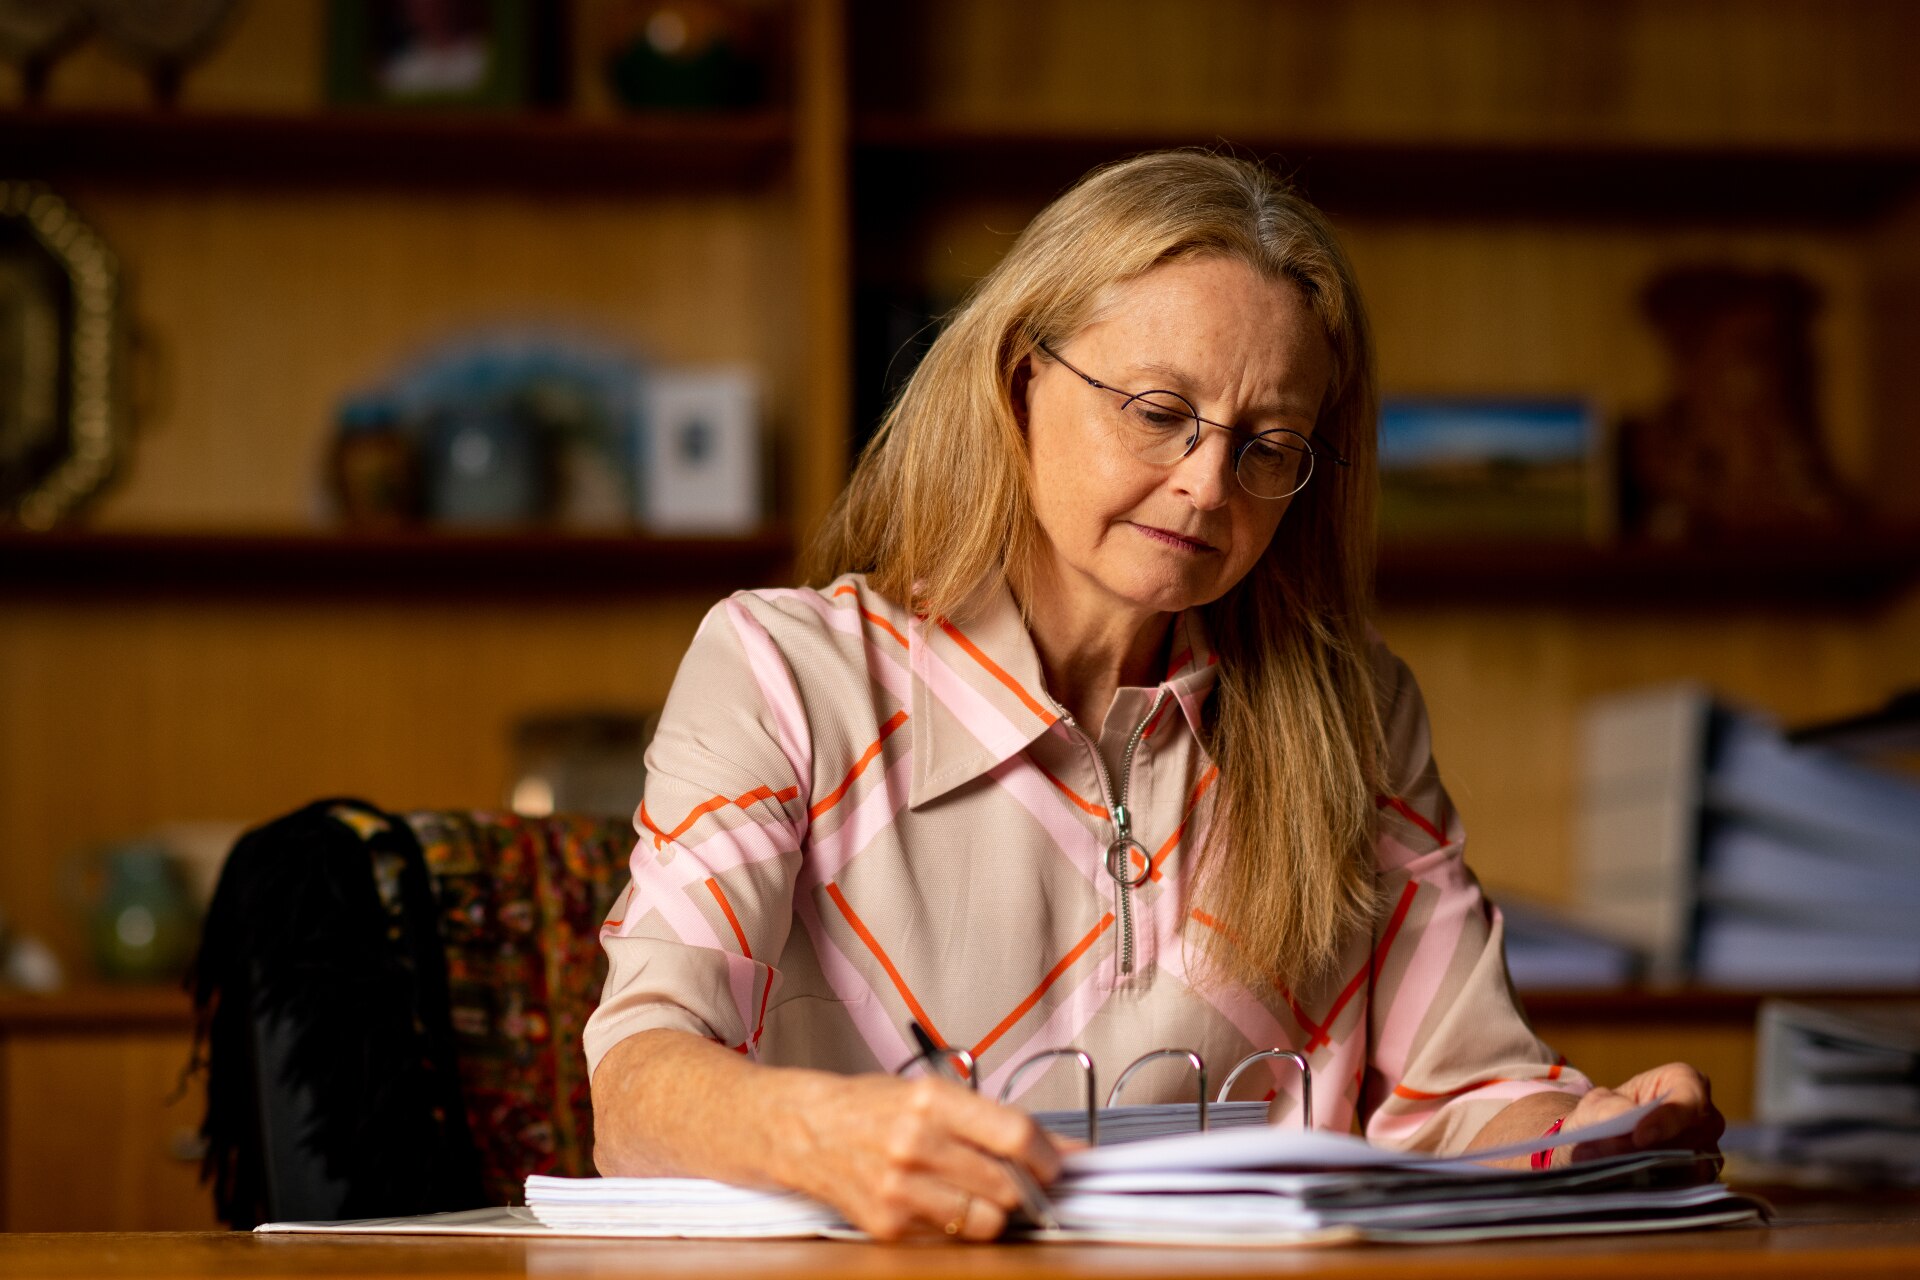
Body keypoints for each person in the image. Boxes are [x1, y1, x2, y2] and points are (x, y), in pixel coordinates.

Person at [586, 150, 1724, 1241]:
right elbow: (637, 1087)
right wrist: (824, 1130)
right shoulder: (783, 668)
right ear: (1022, 375)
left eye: (1269, 444)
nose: (1205, 483)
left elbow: (1467, 1091)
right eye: (1157, 408)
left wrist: (1593, 1132)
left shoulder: (1357, 709)